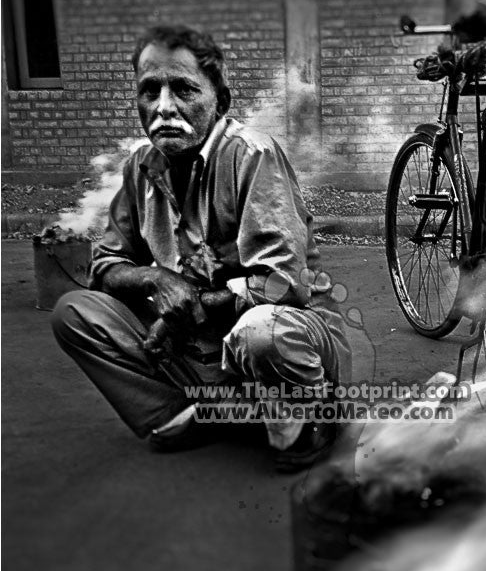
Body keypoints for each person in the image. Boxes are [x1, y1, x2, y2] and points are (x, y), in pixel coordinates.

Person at [52, 25, 351, 471]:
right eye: (149, 90)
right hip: (200, 351)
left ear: (220, 102)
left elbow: (284, 284)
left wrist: (189, 305)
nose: (164, 107)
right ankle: (196, 411)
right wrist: (157, 278)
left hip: (283, 342)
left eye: (184, 89)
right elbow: (105, 265)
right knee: (77, 312)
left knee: (263, 332)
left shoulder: (252, 155)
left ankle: (312, 413)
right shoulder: (141, 165)